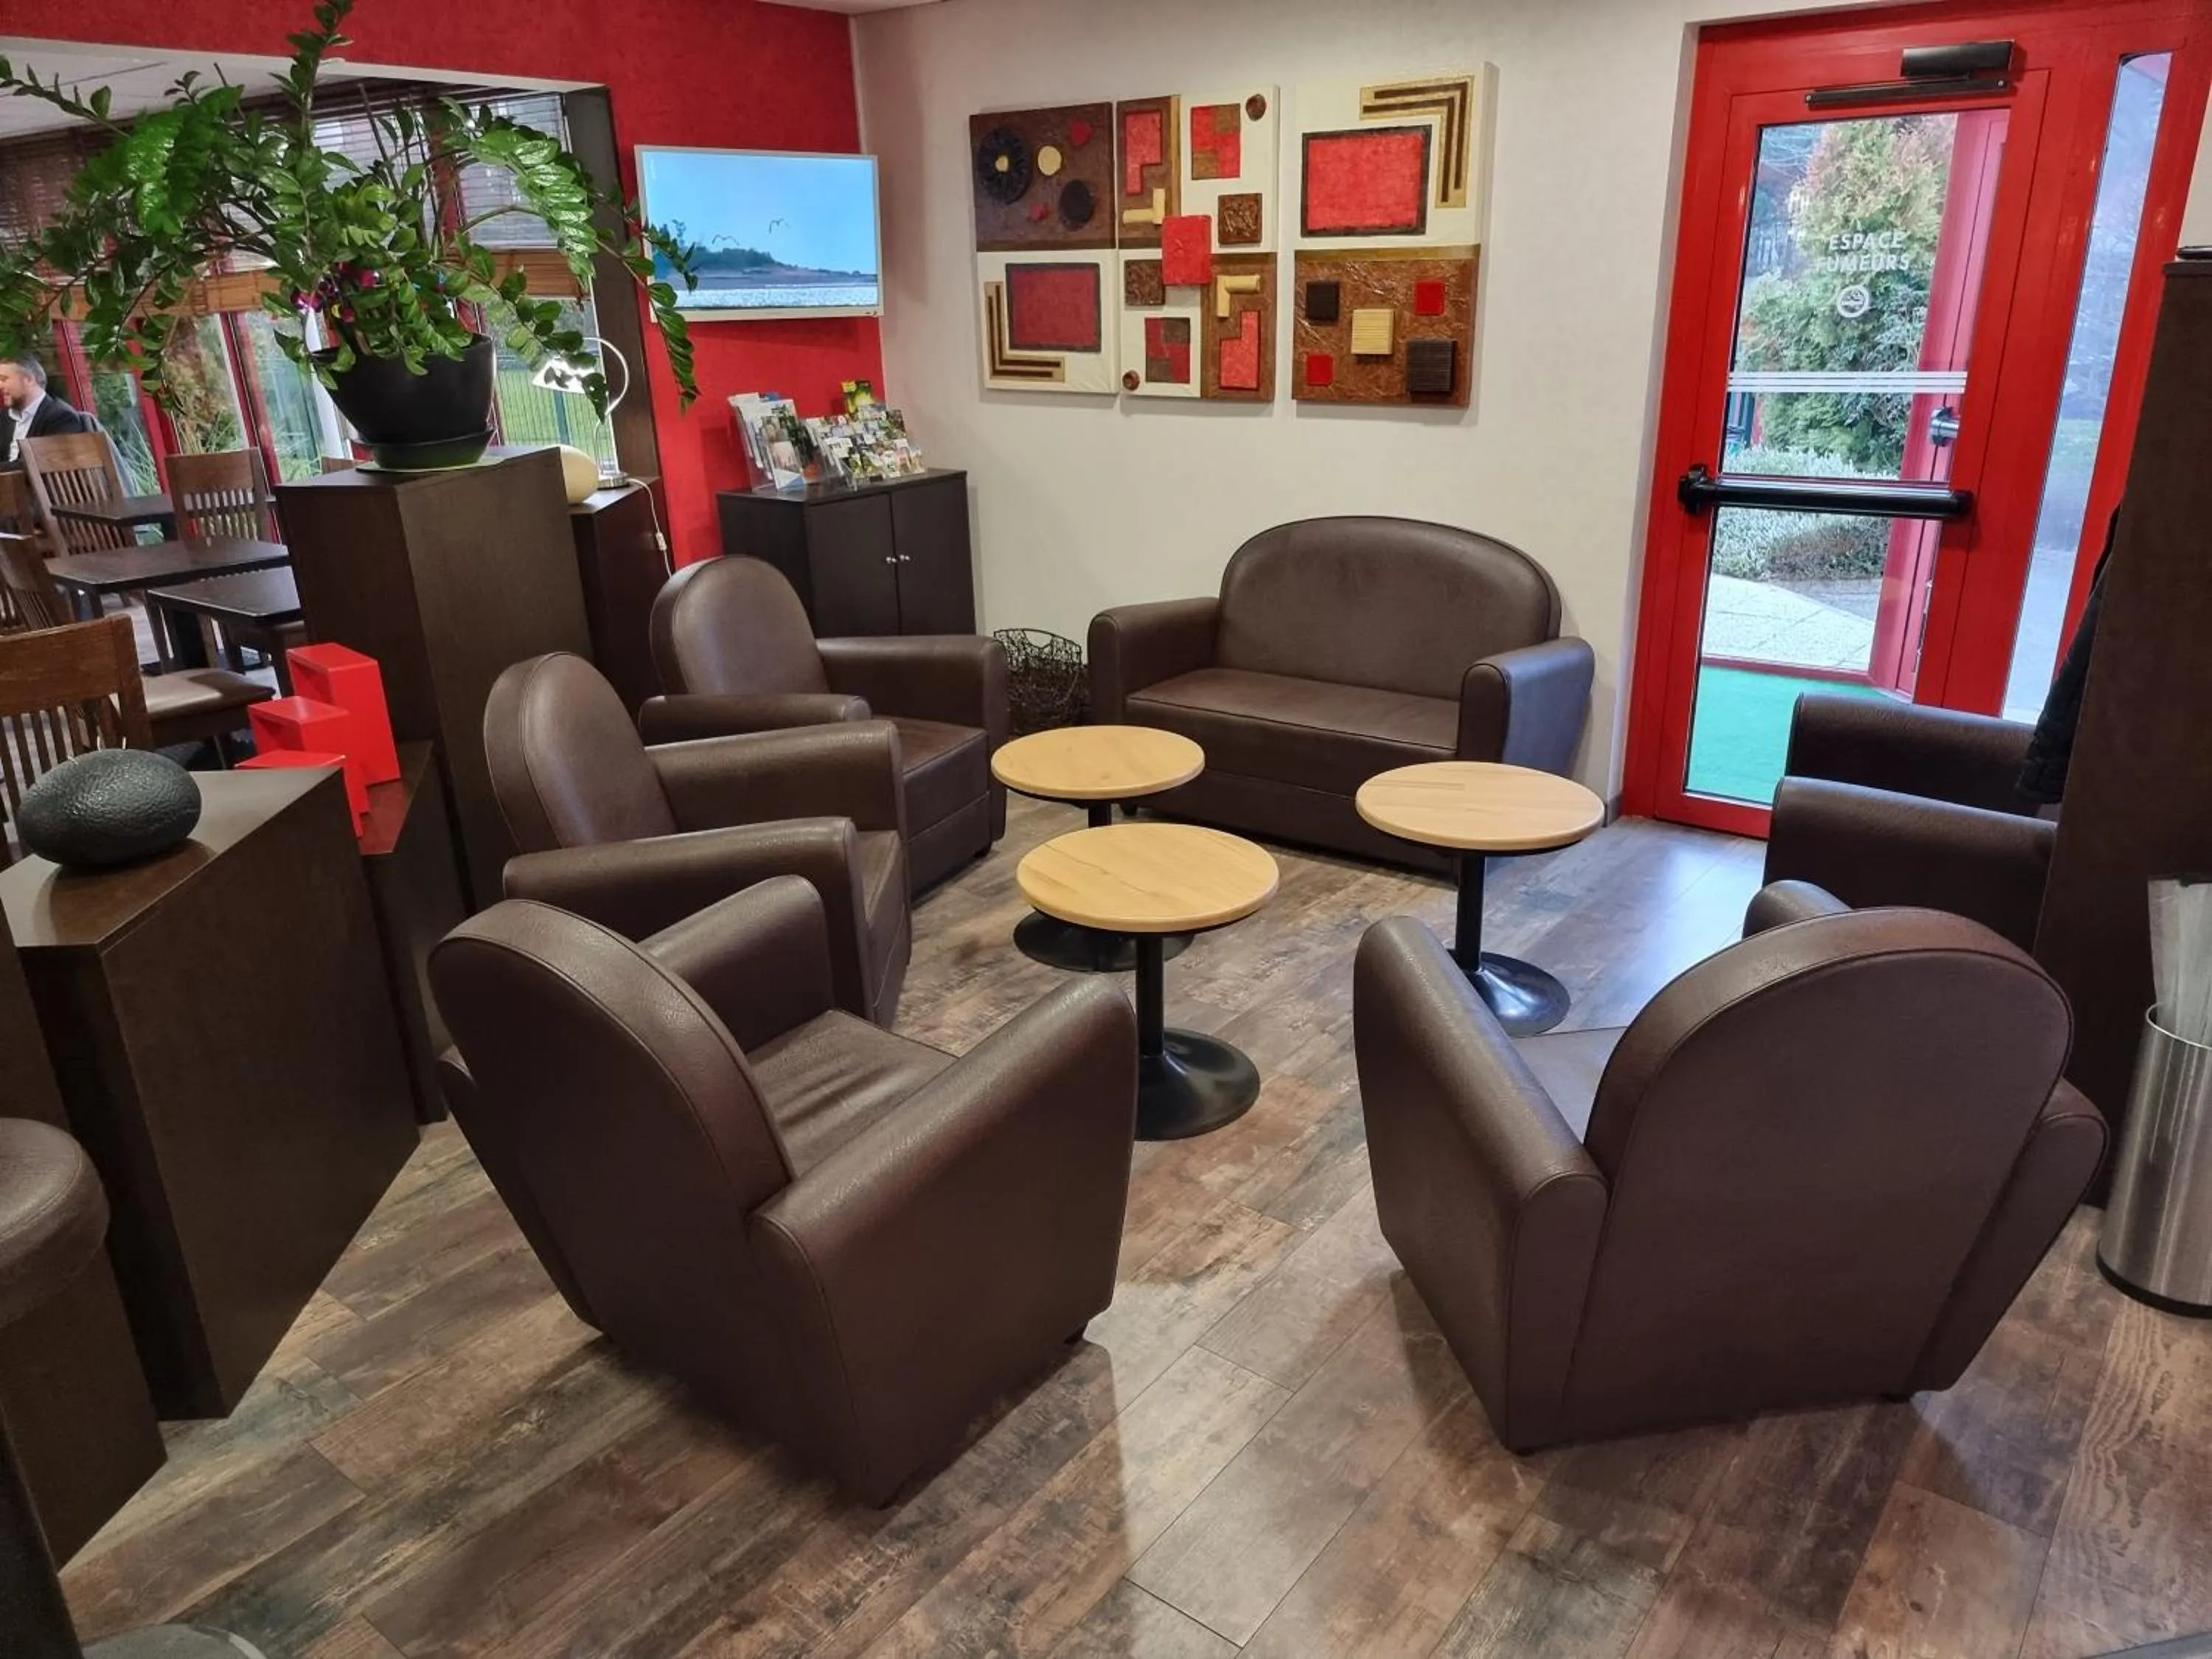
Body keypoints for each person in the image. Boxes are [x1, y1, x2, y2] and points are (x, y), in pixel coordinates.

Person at [0, 354, 97, 469]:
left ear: (29, 380)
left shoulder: (61, 417)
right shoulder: (5, 416)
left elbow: (46, 465)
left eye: (4, 379)